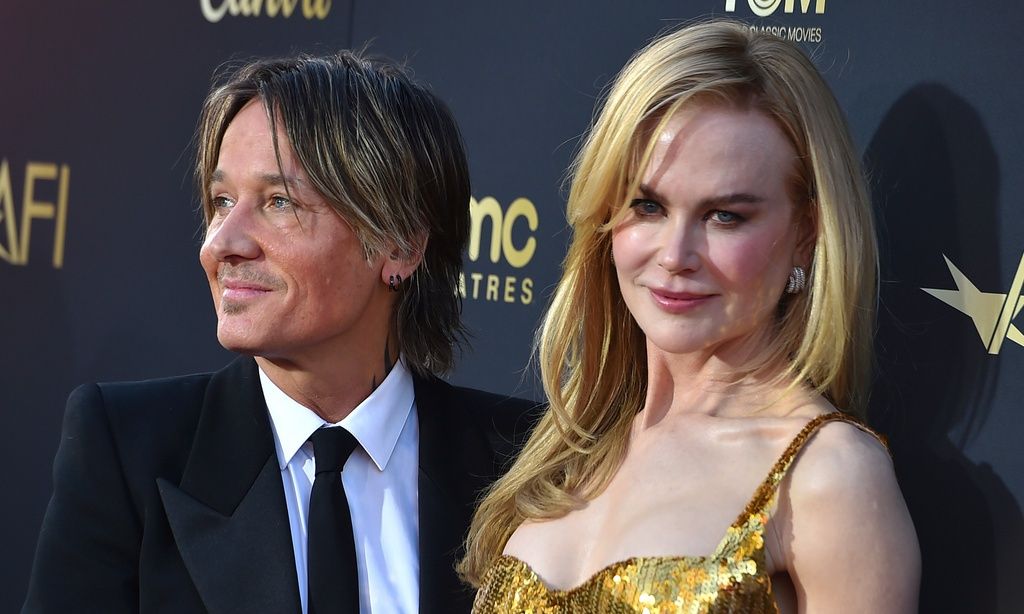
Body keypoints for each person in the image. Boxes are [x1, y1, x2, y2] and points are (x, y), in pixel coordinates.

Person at [24, 51, 536, 614]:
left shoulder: (525, 466)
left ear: (401, 244)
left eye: (278, 202)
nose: (221, 244)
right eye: (222, 201)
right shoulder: (129, 456)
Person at [461, 19, 920, 613]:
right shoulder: (570, 450)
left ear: (806, 233)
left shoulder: (829, 477)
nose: (675, 255)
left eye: (725, 216)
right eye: (648, 206)